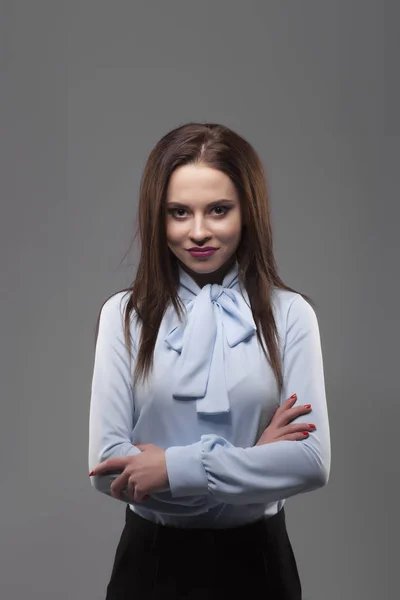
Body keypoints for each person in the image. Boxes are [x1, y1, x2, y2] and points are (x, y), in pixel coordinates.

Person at [88, 122, 331, 600]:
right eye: (179, 212)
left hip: (258, 562)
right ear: (157, 218)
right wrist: (256, 463)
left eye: (219, 210)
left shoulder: (291, 316)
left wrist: (177, 470)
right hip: (150, 563)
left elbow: (310, 462)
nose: (198, 232)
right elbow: (108, 469)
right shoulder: (124, 316)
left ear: (248, 211)